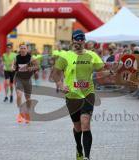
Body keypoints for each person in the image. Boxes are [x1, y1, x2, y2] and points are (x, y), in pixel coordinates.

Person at [52, 30, 104, 160]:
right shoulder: (65, 56)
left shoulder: (92, 55)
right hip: (72, 96)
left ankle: (87, 156)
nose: (79, 41)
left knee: (85, 123)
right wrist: (60, 84)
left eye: (81, 39)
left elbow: (102, 70)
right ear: (73, 41)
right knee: (77, 126)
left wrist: (115, 70)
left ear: (84, 41)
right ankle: (79, 148)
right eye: (77, 39)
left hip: (88, 94)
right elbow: (56, 72)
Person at [13, 43, 38, 124]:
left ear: (27, 49)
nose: (23, 50)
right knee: (19, 95)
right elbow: (13, 66)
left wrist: (31, 68)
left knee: (27, 98)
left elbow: (37, 66)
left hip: (27, 80)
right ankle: (20, 113)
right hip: (19, 79)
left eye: (24, 48)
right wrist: (13, 67)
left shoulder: (31, 58)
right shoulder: (16, 58)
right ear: (19, 49)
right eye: (21, 48)